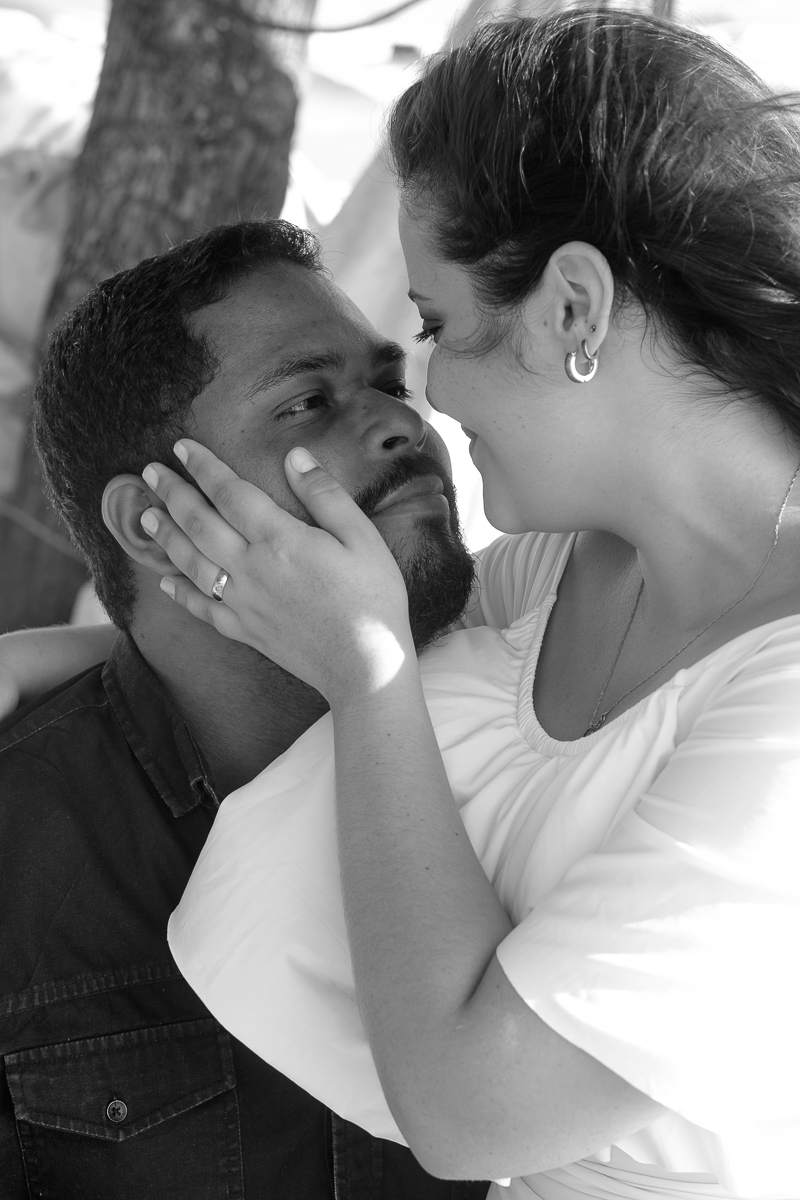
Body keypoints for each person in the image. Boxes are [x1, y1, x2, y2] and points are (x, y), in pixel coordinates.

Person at [138, 10, 800, 1200]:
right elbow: (369, 604)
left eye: (437, 324)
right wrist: (62, 652)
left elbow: (468, 1113)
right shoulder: (578, 567)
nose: (427, 384)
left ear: (572, 309)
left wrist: (372, 682)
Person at [0, 219, 486, 1198]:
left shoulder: (525, 744)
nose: (403, 424)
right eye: (307, 401)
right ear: (156, 522)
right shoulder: (18, 852)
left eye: (389, 382)